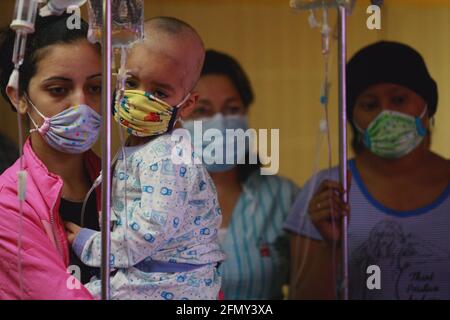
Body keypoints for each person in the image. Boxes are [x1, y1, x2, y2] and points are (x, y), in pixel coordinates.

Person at [64, 17, 225, 300]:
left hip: (169, 283)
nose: (139, 98)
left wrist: (88, 244)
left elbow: (146, 234)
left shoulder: (167, 158)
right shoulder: (143, 146)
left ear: (186, 105)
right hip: (149, 274)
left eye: (159, 92)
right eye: (131, 82)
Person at [285, 41, 450, 300]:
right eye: (370, 105)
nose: (386, 114)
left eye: (399, 99)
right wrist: (333, 246)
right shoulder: (327, 193)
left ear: (428, 105)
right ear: (352, 118)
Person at [182, 50, 300, 299]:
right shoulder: (154, 199)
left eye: (232, 108)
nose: (220, 123)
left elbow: (308, 286)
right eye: (202, 111)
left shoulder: (283, 196)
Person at [0, 14, 102, 299]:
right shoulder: (8, 206)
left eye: (94, 87)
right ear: (18, 96)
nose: (81, 105)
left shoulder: (125, 181)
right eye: (58, 89)